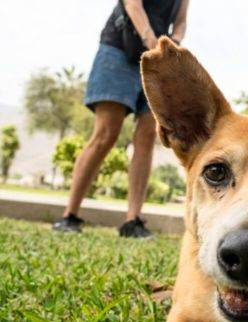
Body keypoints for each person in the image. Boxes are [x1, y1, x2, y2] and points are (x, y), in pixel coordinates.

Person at [53, 0, 190, 237]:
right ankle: (69, 215)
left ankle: (133, 220)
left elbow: (180, 21)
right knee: (106, 134)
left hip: (157, 59)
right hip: (119, 49)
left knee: (147, 136)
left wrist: (173, 44)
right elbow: (133, 6)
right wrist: (152, 43)